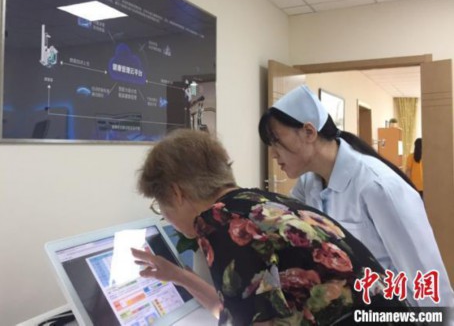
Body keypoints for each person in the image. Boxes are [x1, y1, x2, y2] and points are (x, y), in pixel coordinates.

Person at [132, 128, 416, 325]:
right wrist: (180, 276)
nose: (165, 216)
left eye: (160, 206)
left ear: (177, 193)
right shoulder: (263, 203)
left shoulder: (222, 224)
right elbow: (238, 311)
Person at [258, 85, 454, 309]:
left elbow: (428, 279)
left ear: (309, 132)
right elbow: (283, 229)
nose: (273, 154)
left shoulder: (378, 186)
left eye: (276, 141)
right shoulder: (308, 184)